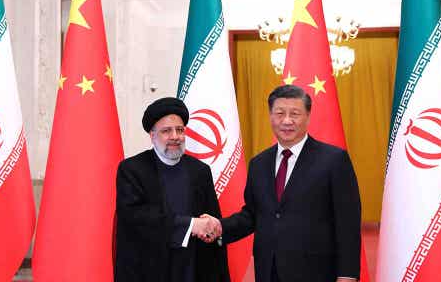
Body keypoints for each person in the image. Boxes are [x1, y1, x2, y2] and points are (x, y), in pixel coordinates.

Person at [210, 85, 362, 282]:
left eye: (295, 114)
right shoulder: (259, 163)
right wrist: (218, 227)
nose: (287, 121)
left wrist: (347, 276)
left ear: (308, 115)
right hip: (269, 270)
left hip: (316, 272)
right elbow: (253, 215)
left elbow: (347, 224)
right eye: (280, 113)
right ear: (270, 115)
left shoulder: (334, 160)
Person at [115, 97, 230, 282]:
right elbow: (136, 218)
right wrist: (190, 225)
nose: (175, 136)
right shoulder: (132, 169)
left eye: (180, 130)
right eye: (166, 131)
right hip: (150, 269)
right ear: (152, 136)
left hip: (193, 268)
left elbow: (212, 223)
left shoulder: (200, 171)